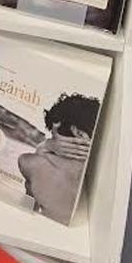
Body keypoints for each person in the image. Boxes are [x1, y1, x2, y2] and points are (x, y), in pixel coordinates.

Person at [17, 92, 99, 223]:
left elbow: (26, 213)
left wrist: (45, 146)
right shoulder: (101, 171)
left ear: (79, 133)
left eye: (53, 136)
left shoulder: (33, 165)